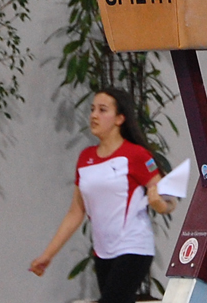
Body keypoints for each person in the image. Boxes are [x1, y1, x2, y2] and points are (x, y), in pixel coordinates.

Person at [29, 87, 177, 303]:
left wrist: (160, 205)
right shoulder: (85, 158)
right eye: (92, 109)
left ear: (120, 118)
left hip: (133, 247)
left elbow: (169, 199)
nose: (94, 115)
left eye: (102, 110)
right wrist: (47, 255)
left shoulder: (136, 155)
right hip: (102, 252)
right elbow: (75, 212)